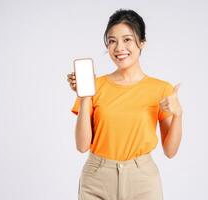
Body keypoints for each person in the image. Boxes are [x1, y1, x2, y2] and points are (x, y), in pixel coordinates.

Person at [67, 8, 183, 200]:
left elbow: (170, 151)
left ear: (142, 43)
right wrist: (85, 96)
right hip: (97, 178)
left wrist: (178, 115)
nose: (119, 47)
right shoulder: (94, 86)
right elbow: (81, 146)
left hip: (142, 180)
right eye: (112, 41)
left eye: (127, 39)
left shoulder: (161, 89)